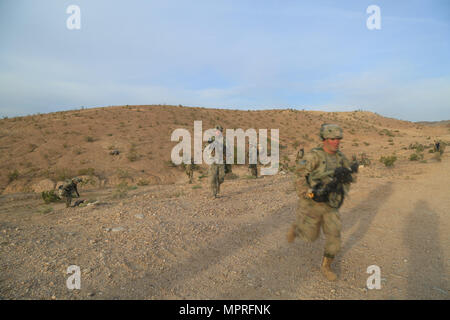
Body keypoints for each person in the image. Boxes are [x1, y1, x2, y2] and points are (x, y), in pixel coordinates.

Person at [287, 124, 358, 281]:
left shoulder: (341, 158)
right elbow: (298, 175)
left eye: (338, 139)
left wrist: (348, 177)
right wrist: (309, 193)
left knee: (334, 235)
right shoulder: (313, 156)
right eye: (333, 139)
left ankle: (326, 266)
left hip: (331, 204)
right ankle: (298, 229)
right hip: (312, 201)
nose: (336, 142)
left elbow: (351, 178)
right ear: (325, 139)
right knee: (310, 236)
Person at [205, 125, 229, 198]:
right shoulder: (211, 138)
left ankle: (218, 184)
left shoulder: (224, 139)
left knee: (221, 177)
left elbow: (227, 148)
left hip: (221, 160)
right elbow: (206, 147)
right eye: (216, 131)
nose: (218, 132)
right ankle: (214, 193)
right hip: (213, 161)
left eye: (219, 131)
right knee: (212, 178)